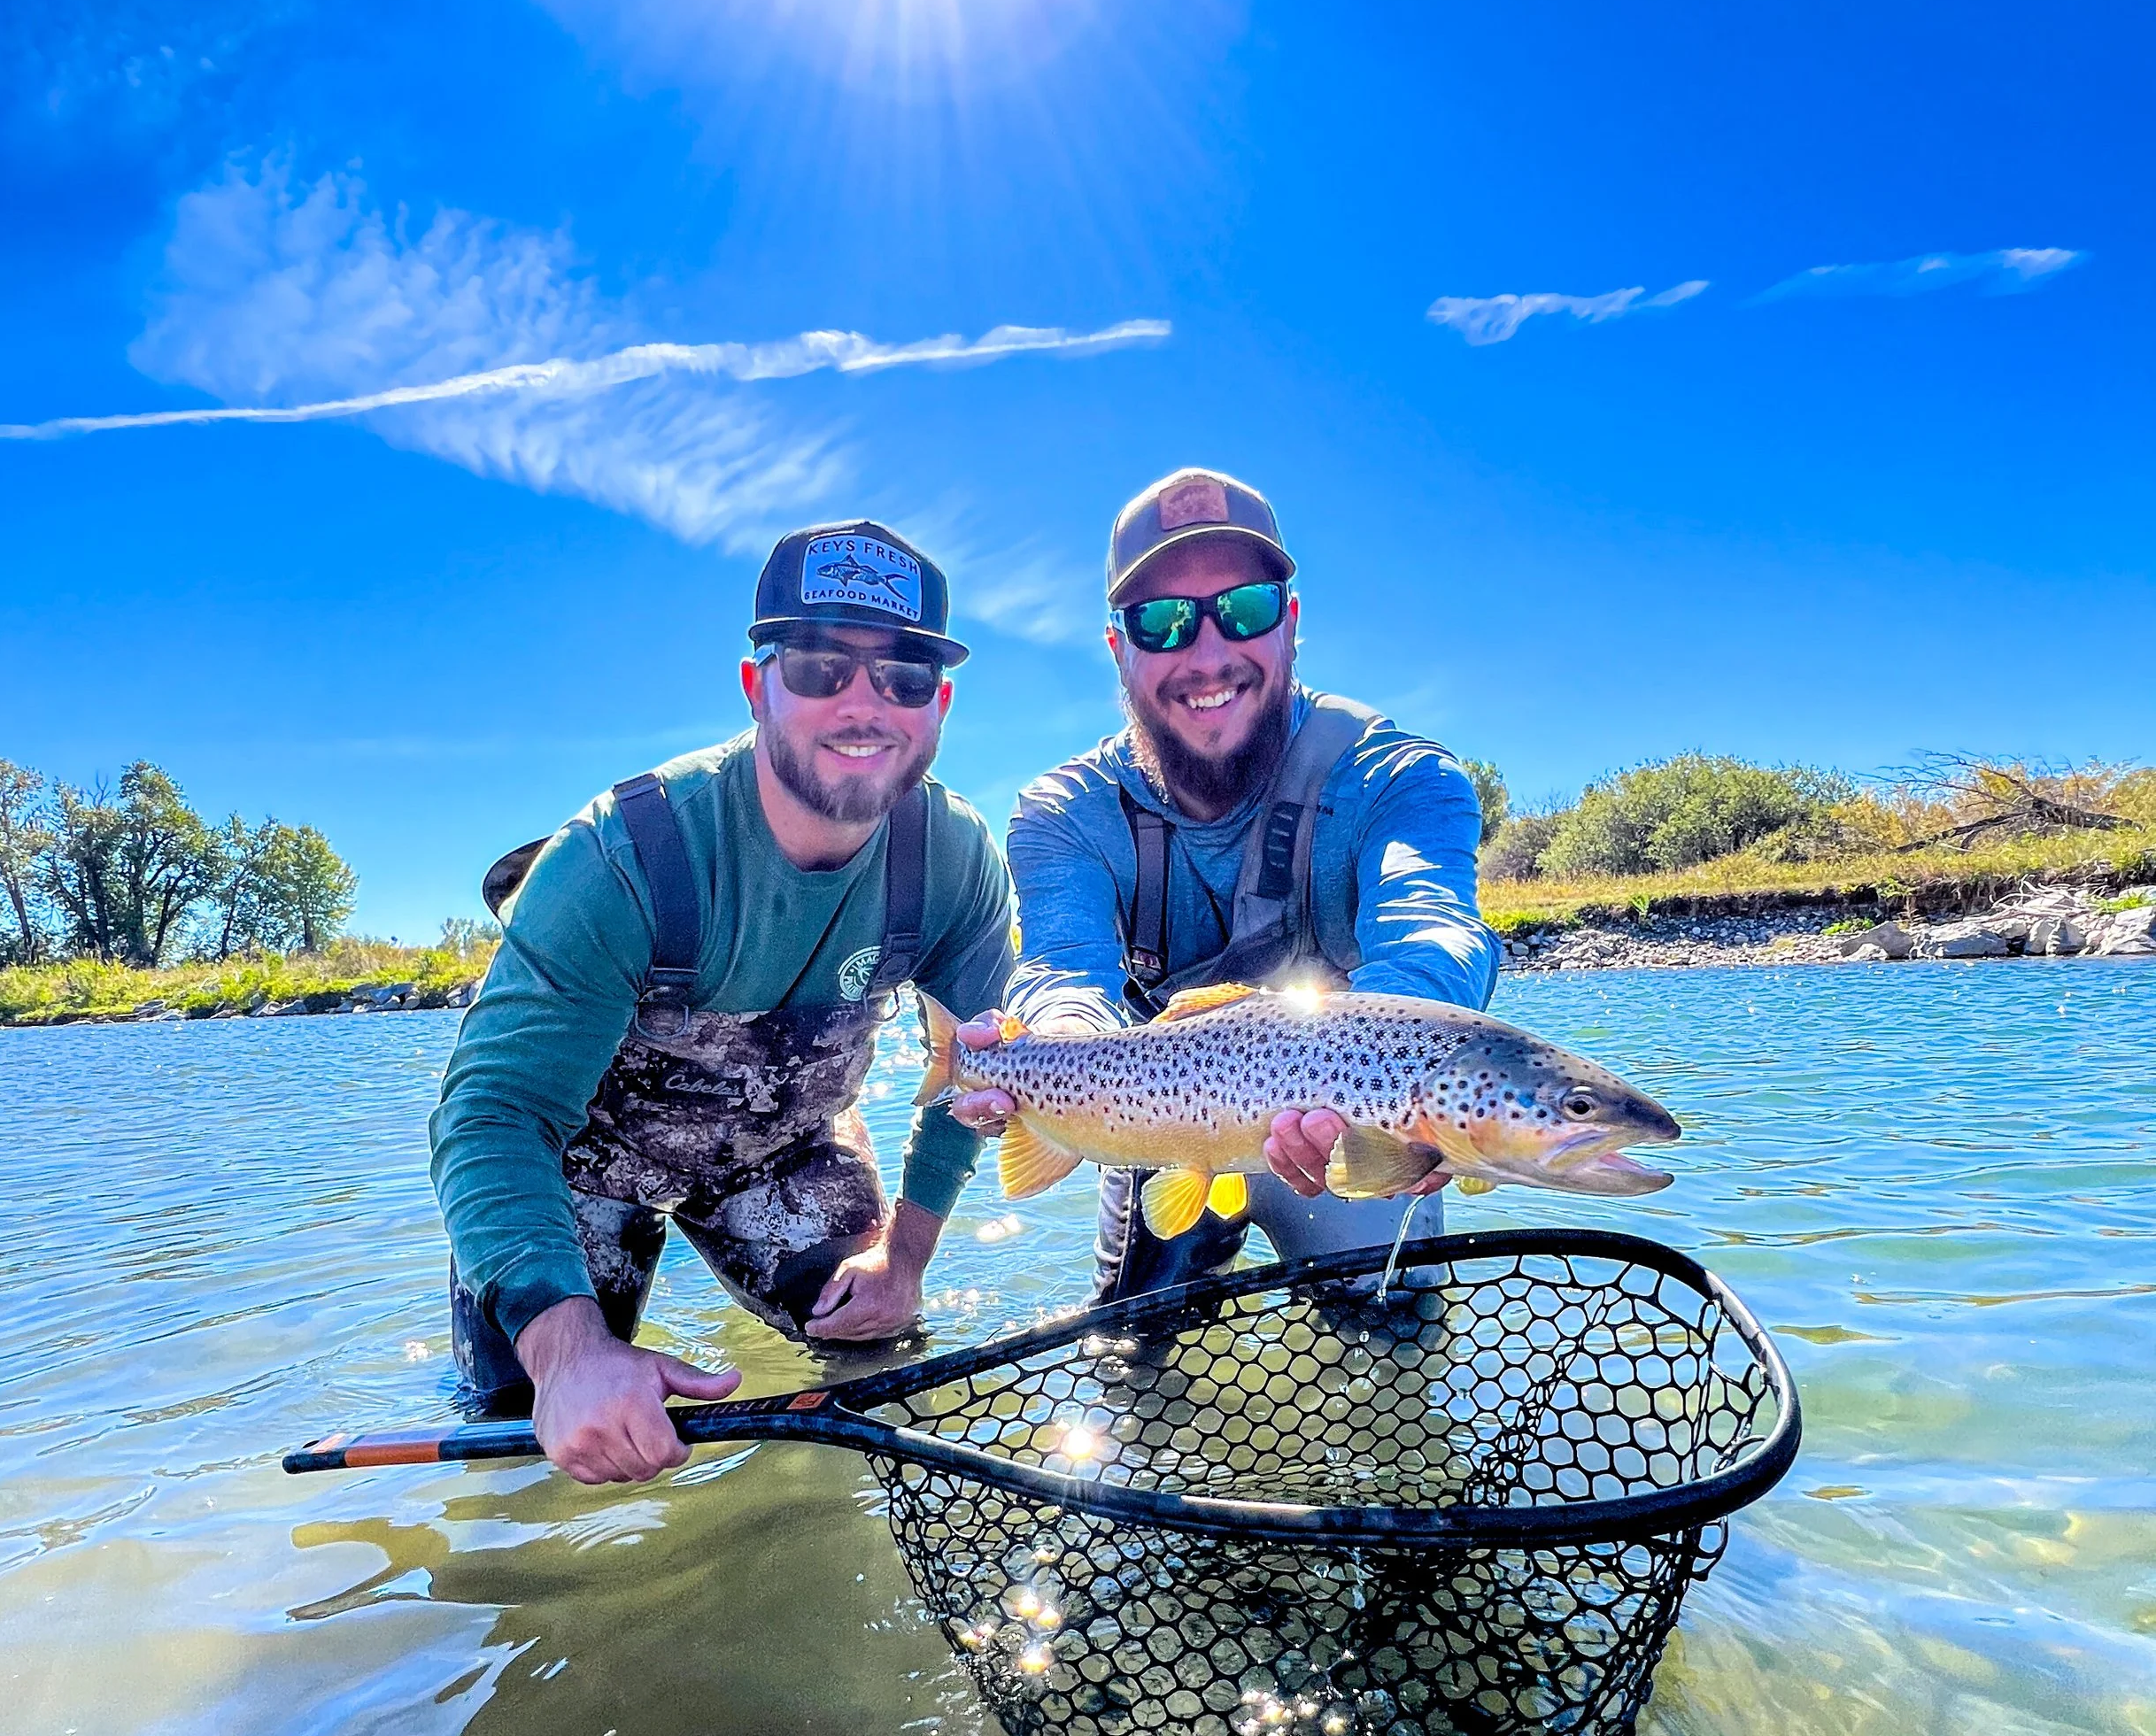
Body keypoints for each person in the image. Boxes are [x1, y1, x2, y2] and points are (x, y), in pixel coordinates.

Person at [433, 521, 1014, 1482]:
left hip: (786, 1152)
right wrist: (570, 1354)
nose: (864, 704)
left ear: (938, 705)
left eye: (903, 679)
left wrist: (904, 1261)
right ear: (759, 688)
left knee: (877, 1350)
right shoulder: (619, 855)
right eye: (823, 668)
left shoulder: (951, 859)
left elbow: (984, 1067)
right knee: (526, 1420)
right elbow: (489, 1116)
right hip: (577, 1164)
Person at [954, 467, 1499, 1300]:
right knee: (1135, 1339)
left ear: (1290, 623)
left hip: (1352, 1120)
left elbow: (1432, 927)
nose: (1207, 654)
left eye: (1243, 608)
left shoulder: (1399, 778)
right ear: (1118, 650)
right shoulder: (1063, 813)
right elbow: (1066, 969)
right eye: (1163, 621)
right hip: (1153, 1111)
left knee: (1387, 1337)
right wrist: (1045, 1051)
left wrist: (1399, 1089)